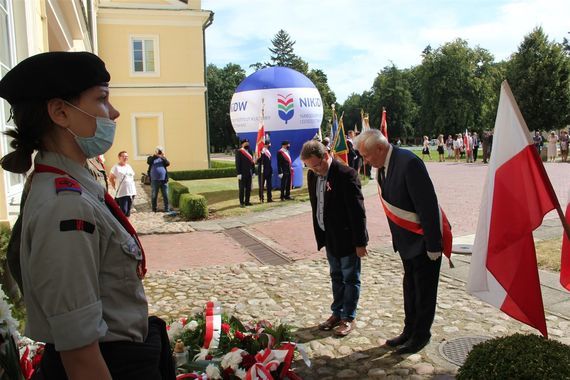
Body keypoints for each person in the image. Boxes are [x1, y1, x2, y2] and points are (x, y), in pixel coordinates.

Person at [0, 51, 174, 379]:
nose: (114, 112)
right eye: (102, 99)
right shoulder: (66, 205)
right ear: (60, 112)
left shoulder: (73, 185)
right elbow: (80, 355)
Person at [354, 129, 449, 355]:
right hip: (406, 243)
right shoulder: (384, 167)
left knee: (424, 292)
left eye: (366, 156)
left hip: (423, 243)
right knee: (411, 289)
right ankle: (409, 330)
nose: (365, 161)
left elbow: (427, 205)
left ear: (379, 148)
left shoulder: (409, 163)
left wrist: (434, 245)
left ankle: (421, 335)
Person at [300, 140, 368, 337]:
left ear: (326, 156)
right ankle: (336, 313)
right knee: (336, 277)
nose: (313, 170)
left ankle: (348, 317)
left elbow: (357, 212)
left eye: (316, 165)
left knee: (350, 278)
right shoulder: (313, 176)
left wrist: (360, 242)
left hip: (347, 239)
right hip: (329, 237)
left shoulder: (346, 175)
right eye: (309, 167)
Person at [109, 151, 137, 217]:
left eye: (126, 156)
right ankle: (121, 225)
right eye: (123, 156)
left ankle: (127, 225)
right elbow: (111, 178)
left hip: (131, 192)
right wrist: (115, 187)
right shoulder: (116, 167)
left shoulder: (129, 166)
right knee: (123, 211)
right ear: (119, 157)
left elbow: (131, 177)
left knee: (128, 211)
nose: (125, 158)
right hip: (122, 193)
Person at [147, 146, 171, 212]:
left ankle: (167, 208)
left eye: (160, 151)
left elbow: (168, 163)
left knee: (165, 195)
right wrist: (156, 155)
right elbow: (149, 162)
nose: (159, 152)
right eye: (158, 151)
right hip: (154, 180)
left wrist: (162, 156)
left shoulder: (163, 158)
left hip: (164, 180)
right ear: (155, 151)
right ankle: (154, 208)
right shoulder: (151, 158)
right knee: (154, 195)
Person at [235, 138, 254, 207]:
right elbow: (237, 163)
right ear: (243, 144)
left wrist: (254, 171)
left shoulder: (250, 151)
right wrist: (238, 173)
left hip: (249, 173)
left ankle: (247, 201)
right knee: (242, 188)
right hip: (242, 174)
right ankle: (241, 202)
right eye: (246, 143)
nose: (247, 144)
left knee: (248, 188)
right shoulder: (239, 151)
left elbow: (252, 162)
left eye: (248, 143)